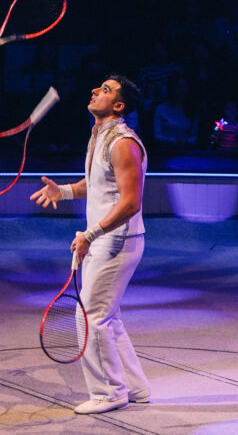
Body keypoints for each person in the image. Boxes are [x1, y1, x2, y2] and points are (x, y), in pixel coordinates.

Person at [30, 75, 151, 415]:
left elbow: (130, 203)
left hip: (117, 242)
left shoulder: (123, 143)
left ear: (119, 105)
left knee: (92, 318)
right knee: (108, 318)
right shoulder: (101, 135)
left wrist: (89, 235)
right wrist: (63, 191)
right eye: (97, 86)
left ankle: (109, 392)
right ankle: (135, 387)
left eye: (106, 90)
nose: (95, 90)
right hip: (105, 239)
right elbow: (98, 183)